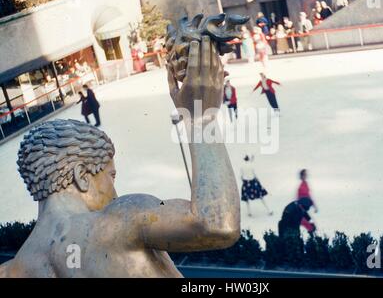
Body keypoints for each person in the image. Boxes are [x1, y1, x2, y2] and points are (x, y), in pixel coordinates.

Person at [0, 34, 241, 277]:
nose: (114, 191)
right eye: (110, 176)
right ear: (81, 176)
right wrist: (201, 118)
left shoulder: (11, 271)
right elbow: (216, 224)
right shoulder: (119, 221)